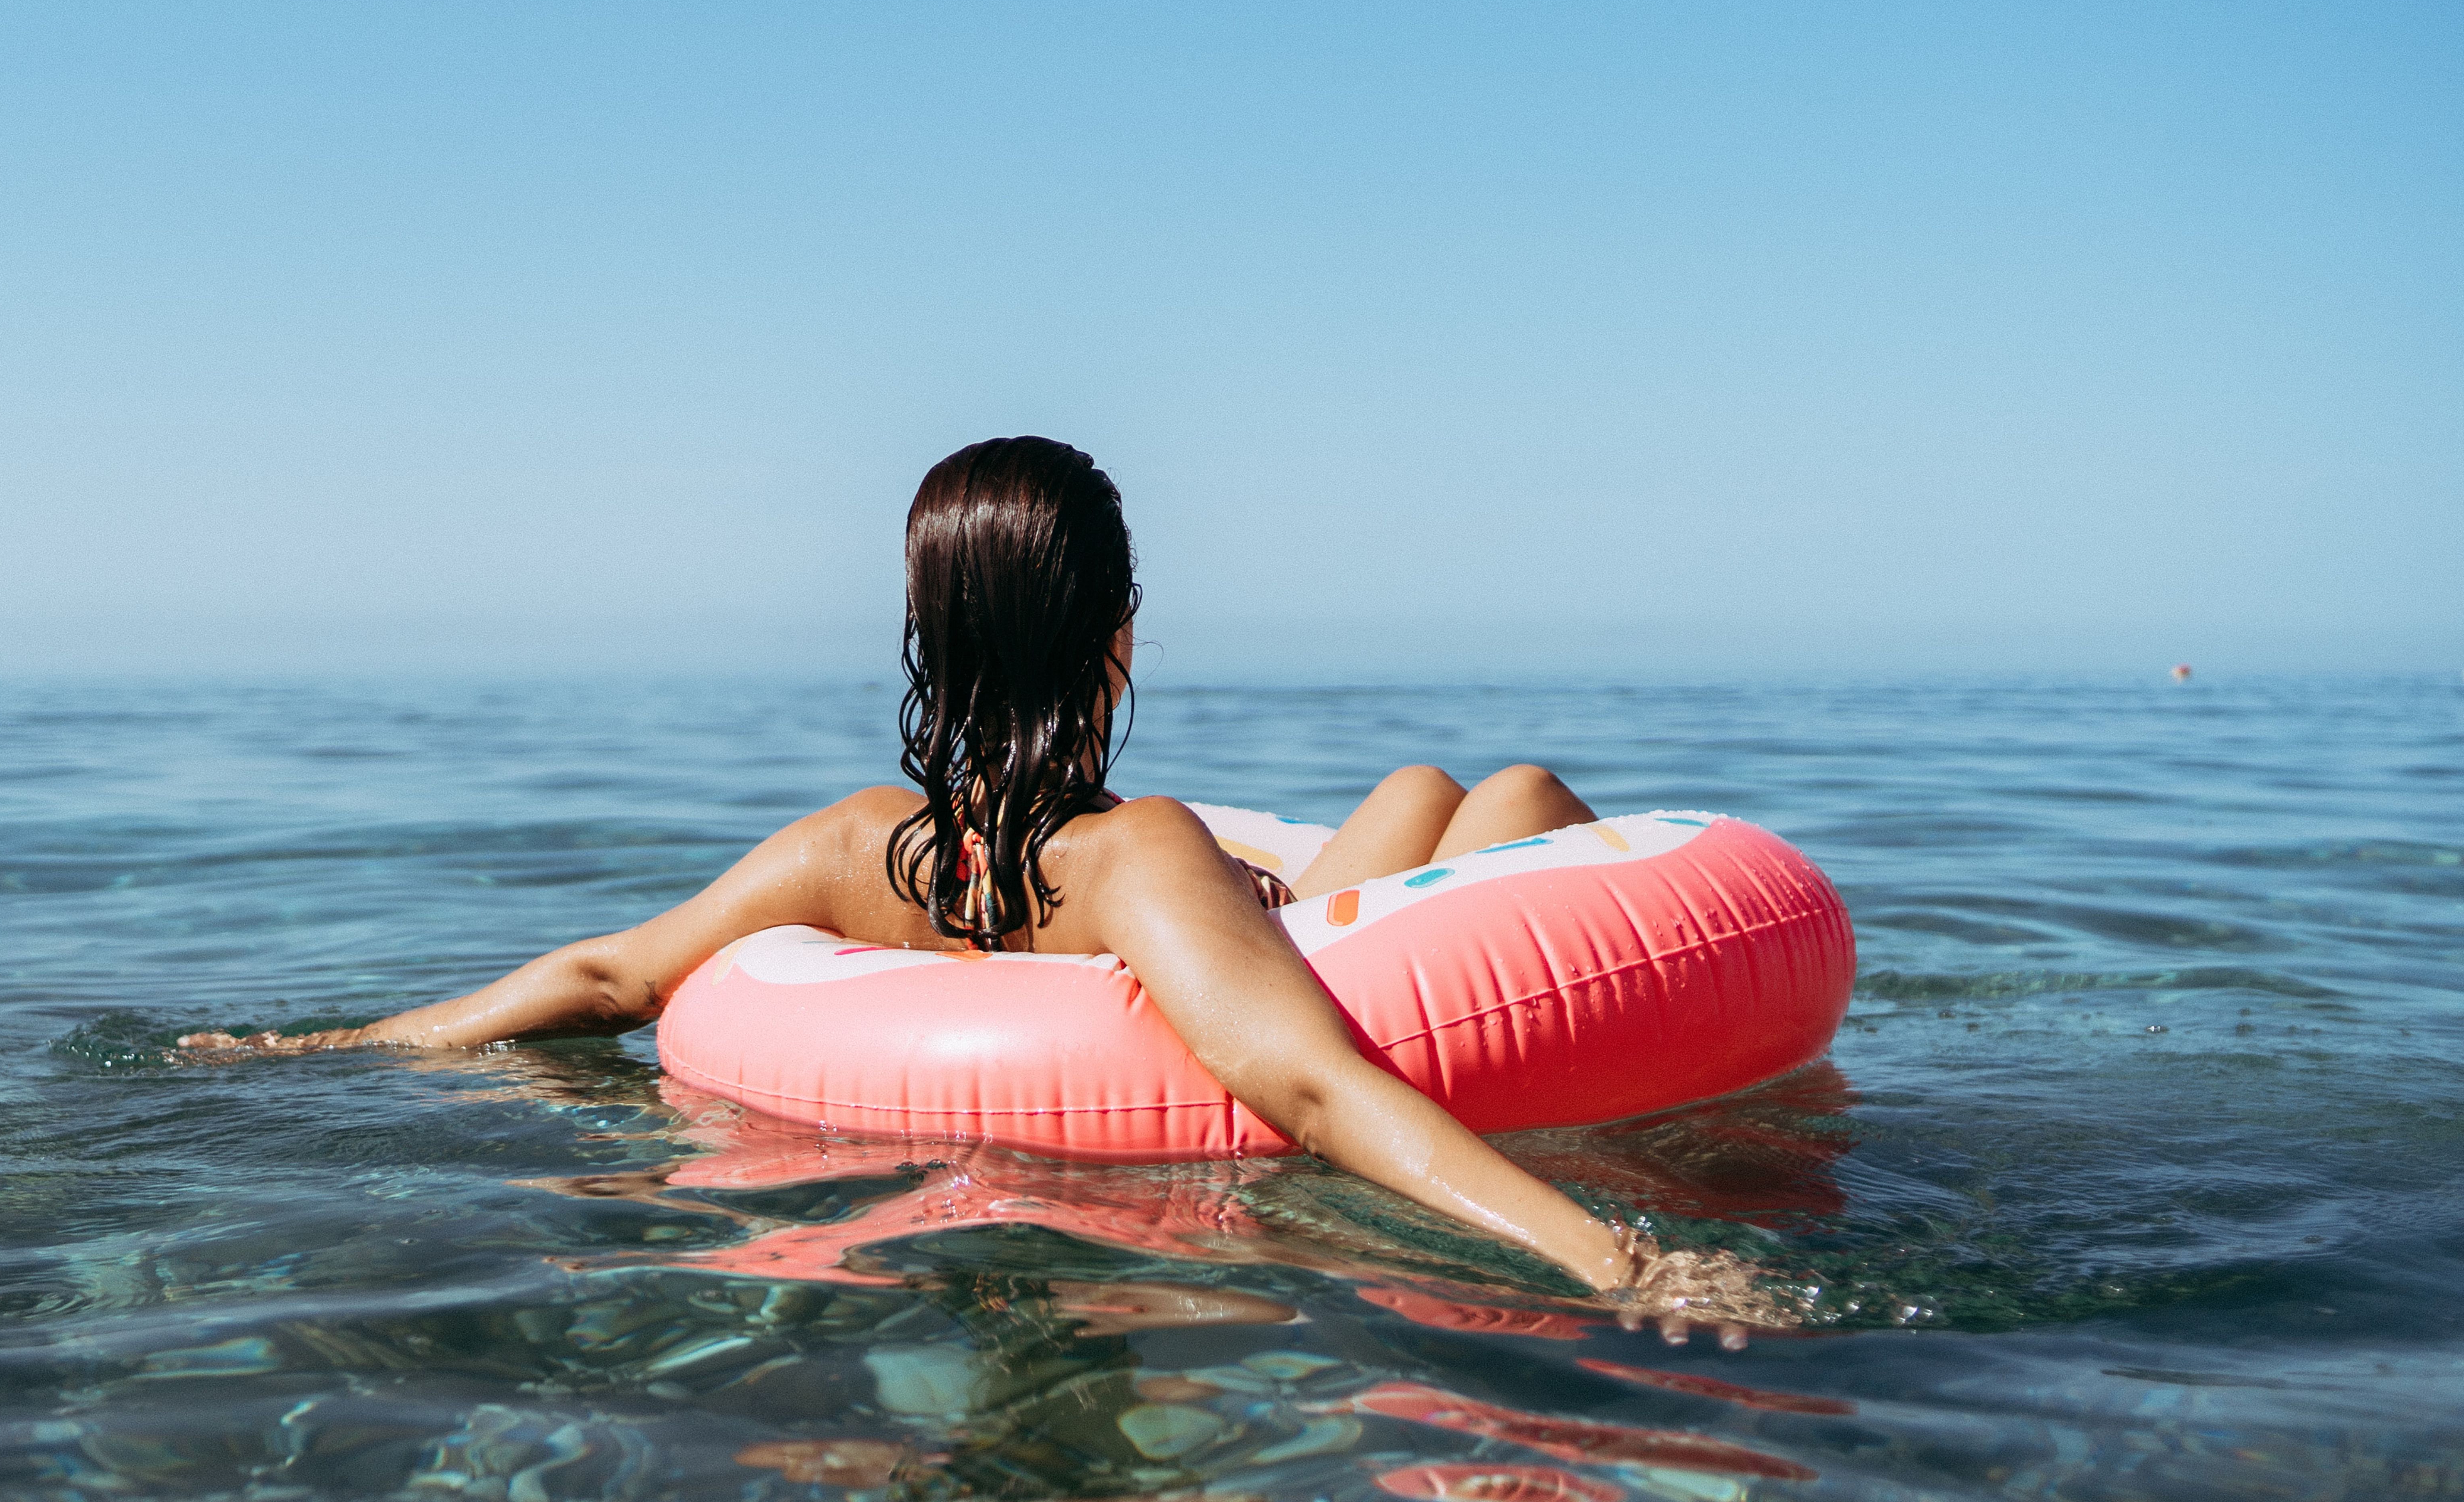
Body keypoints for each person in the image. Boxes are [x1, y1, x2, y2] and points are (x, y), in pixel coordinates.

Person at [180, 437, 1781, 1343]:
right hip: (1268, 1007)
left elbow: (605, 976)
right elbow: (1300, 1073)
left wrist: (327, 1051)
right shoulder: (1132, 851)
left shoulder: (856, 849)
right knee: (1492, 796)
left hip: (1079, 1005)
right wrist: (1616, 1258)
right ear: (1118, 634)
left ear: (929, 641)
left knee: (1419, 796)